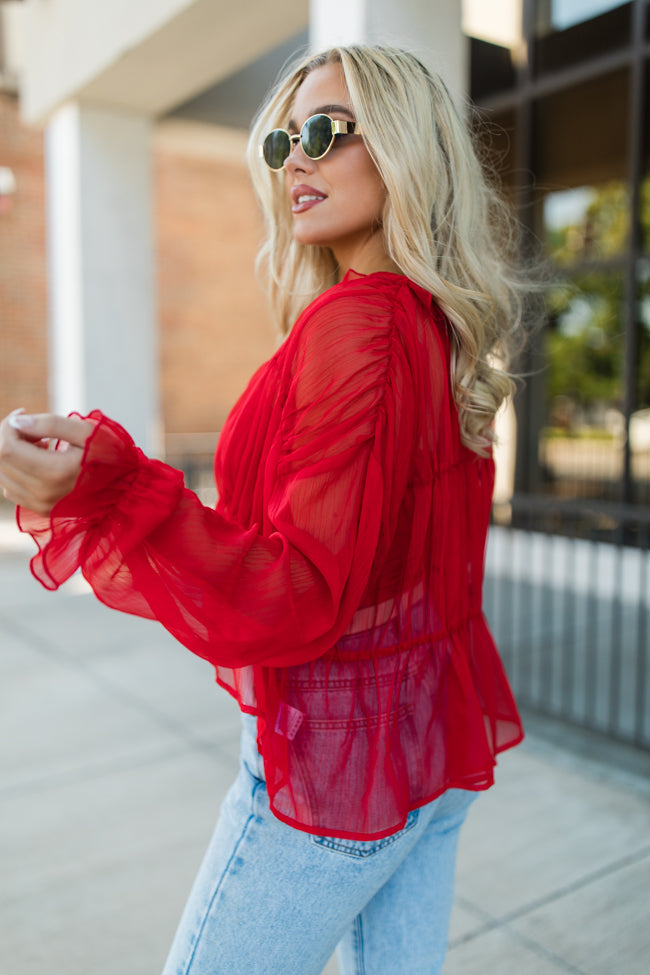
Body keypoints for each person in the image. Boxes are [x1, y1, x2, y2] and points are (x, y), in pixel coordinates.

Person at [0, 45, 526, 975]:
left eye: (326, 132)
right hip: (424, 748)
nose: (296, 159)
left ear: (404, 149)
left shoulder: (359, 323)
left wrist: (111, 488)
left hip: (344, 769)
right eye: (286, 139)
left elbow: (294, 593)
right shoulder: (434, 325)